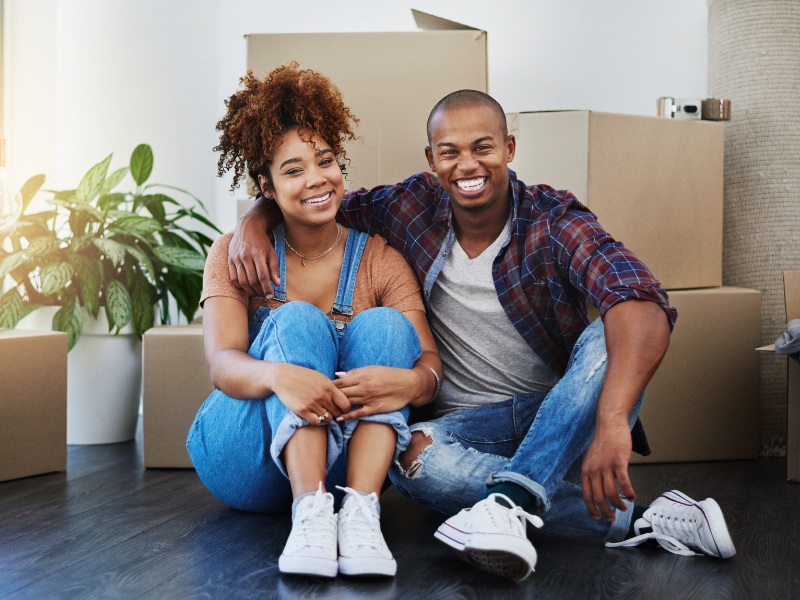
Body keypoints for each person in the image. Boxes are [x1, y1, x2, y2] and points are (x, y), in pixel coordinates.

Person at [229, 88, 736, 581]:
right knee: (411, 462)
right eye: (449, 152)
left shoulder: (553, 221)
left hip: (562, 416)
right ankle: (640, 518)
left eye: (483, 148)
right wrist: (253, 218)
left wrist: (611, 420)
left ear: (509, 149)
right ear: (432, 158)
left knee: (611, 331)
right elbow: (316, 196)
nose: (466, 165)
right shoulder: (409, 207)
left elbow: (641, 299)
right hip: (463, 429)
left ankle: (508, 503)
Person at [186, 64, 442, 579]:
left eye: (325, 161)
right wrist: (279, 375)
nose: (316, 180)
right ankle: (309, 513)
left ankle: (360, 516)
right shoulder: (235, 254)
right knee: (299, 319)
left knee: (388, 329)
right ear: (266, 185)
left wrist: (413, 381)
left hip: (349, 462)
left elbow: (428, 358)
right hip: (246, 459)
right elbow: (221, 365)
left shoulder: (379, 259)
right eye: (293, 169)